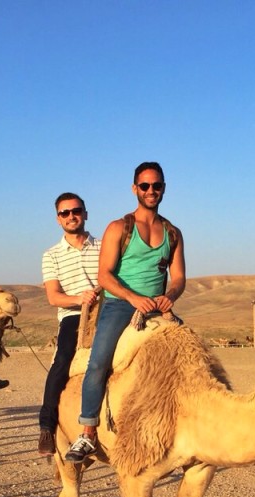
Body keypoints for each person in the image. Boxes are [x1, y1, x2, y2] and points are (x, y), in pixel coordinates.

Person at [65, 162, 186, 463]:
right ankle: (88, 432)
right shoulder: (119, 228)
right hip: (121, 304)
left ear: (163, 189)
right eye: (144, 186)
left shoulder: (173, 233)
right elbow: (104, 276)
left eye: (156, 186)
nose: (150, 191)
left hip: (158, 306)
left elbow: (180, 277)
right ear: (135, 189)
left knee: (192, 359)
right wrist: (134, 298)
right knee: (98, 364)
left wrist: (169, 296)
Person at [36, 193, 101, 455]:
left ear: (85, 213)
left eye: (76, 211)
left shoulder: (104, 246)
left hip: (105, 309)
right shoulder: (51, 255)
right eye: (65, 213)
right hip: (74, 315)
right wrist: (80, 298)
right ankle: (47, 427)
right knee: (62, 360)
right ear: (58, 219)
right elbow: (53, 297)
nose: (71, 216)